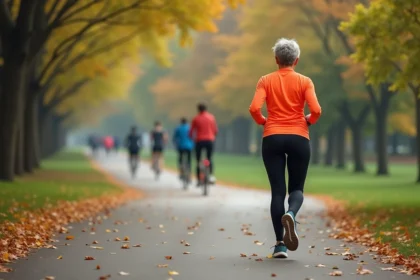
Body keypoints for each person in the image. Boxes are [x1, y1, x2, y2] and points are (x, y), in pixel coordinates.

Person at [249, 38, 322, 259]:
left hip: (272, 137)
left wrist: (263, 121)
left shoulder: (265, 80)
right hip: (299, 136)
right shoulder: (305, 81)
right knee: (296, 189)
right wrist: (307, 120)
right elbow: (317, 110)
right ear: (296, 60)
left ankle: (280, 244)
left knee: (277, 191)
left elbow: (254, 108)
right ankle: (291, 213)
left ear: (276, 59)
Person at [189, 102, 218, 185]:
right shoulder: (211, 117)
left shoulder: (196, 118)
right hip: (209, 140)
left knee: (198, 161)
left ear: (198, 109)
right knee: (209, 158)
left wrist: (192, 138)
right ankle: (211, 176)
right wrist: (213, 137)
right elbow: (215, 131)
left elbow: (191, 132)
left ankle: (198, 179)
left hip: (199, 141)